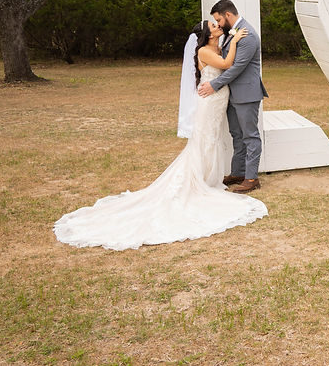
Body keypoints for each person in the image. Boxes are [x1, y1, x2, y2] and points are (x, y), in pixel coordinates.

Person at [53, 20, 267, 251]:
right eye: (213, 25)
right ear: (207, 34)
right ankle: (197, 181)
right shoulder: (205, 50)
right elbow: (227, 64)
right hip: (209, 101)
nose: (217, 26)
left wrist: (231, 41)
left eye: (217, 23)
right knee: (203, 141)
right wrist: (235, 40)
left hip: (218, 101)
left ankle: (208, 177)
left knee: (212, 140)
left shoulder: (218, 44)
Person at [197, 0, 268, 194]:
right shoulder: (232, 33)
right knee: (236, 135)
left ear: (228, 15)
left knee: (250, 136)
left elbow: (236, 68)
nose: (218, 24)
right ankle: (238, 172)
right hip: (231, 95)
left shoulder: (248, 35)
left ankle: (252, 178)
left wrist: (214, 84)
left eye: (219, 19)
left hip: (246, 93)